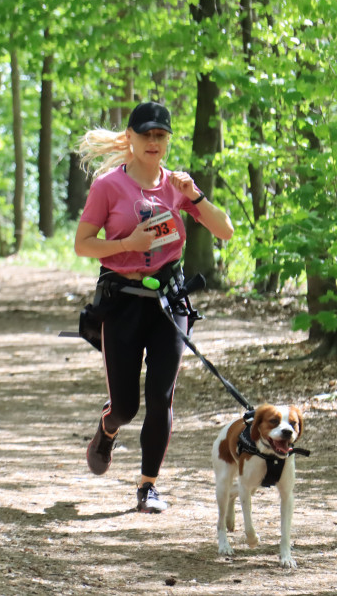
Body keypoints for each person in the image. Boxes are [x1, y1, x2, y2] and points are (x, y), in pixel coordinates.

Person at [74, 101, 234, 513]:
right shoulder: (108, 186)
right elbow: (83, 244)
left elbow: (225, 231)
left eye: (160, 135)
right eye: (145, 134)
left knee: (161, 395)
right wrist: (129, 244)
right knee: (126, 406)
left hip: (169, 302)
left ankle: (148, 487)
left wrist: (194, 196)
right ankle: (107, 429)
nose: (153, 142)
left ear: (167, 141)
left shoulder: (177, 188)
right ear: (130, 138)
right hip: (122, 302)